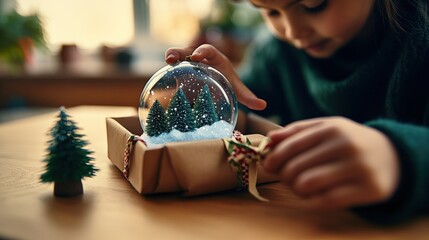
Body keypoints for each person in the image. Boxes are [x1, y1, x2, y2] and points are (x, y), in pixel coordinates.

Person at [164, 0, 429, 224]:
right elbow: (244, 109)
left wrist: (401, 159)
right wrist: (221, 92)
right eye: (271, 11)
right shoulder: (276, 52)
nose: (292, 31)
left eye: (313, 5)